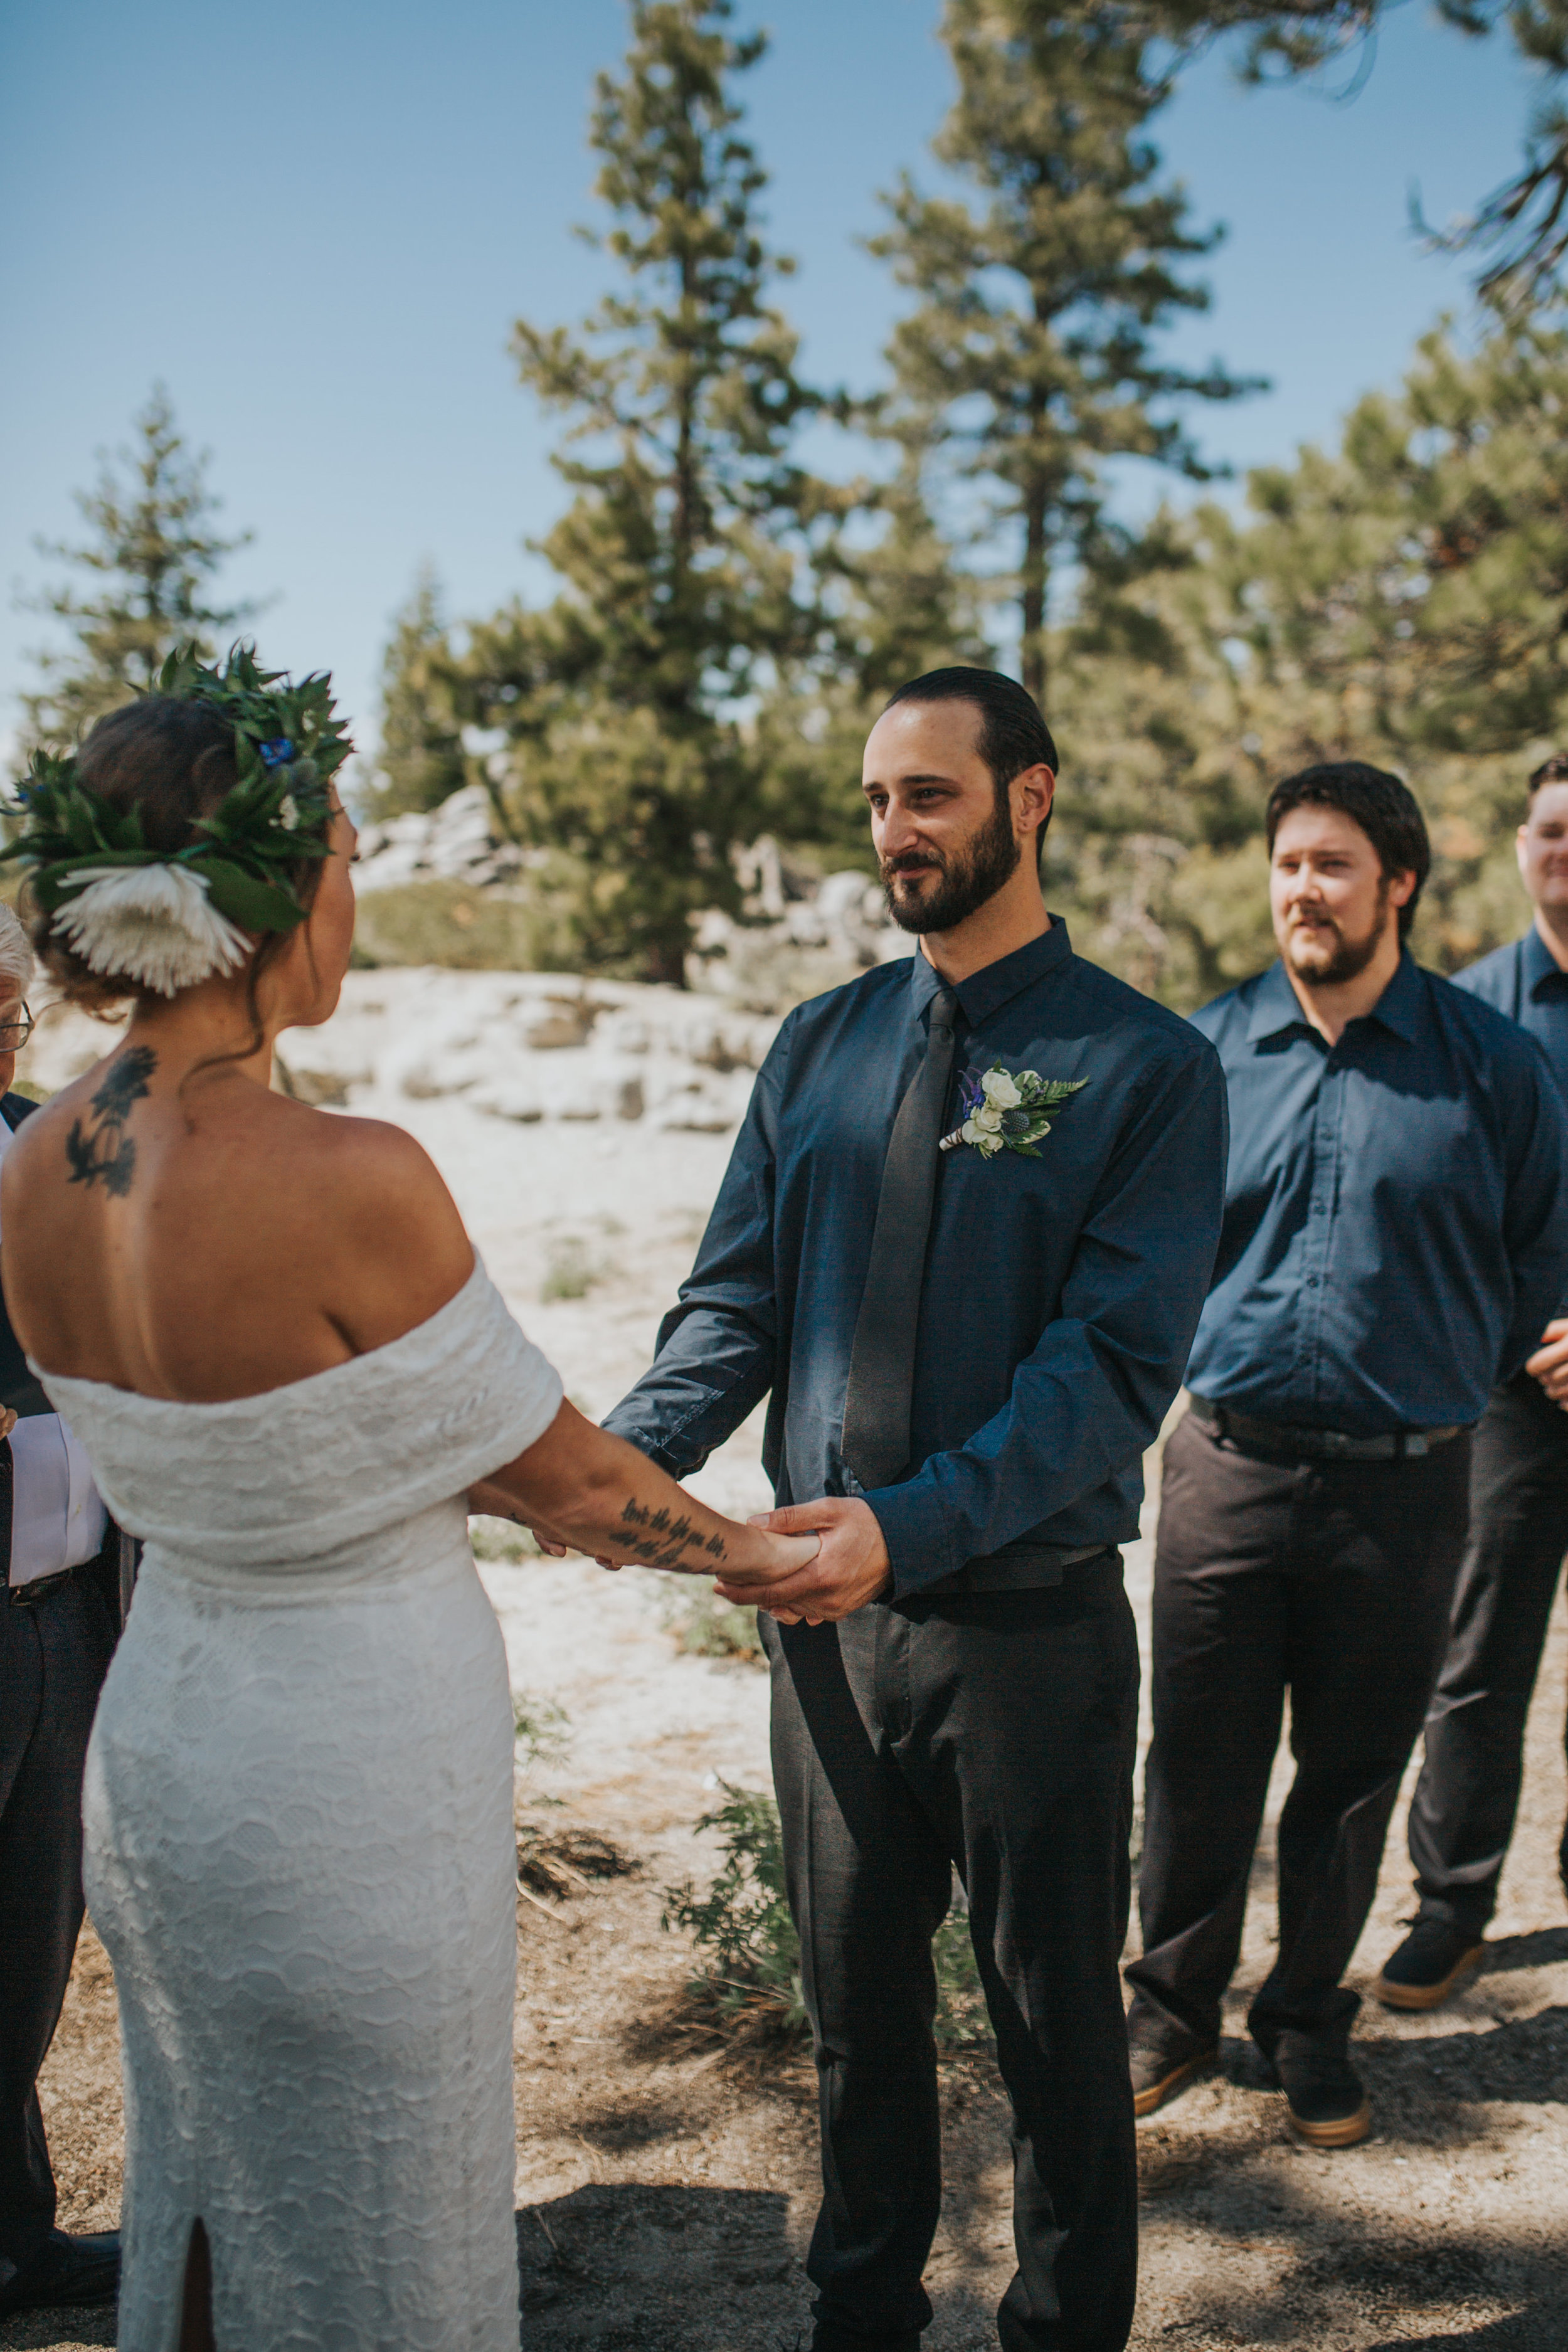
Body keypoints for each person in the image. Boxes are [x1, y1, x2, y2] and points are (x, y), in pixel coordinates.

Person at [0, 649, 818, 2352]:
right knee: (379, 2202)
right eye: (348, 855)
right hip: (345, 1769)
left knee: (208, 2165)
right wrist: (757, 1553)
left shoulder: (33, 1162)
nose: (356, 889)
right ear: (273, 897)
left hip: (158, 1748)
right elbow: (562, 1474)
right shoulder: (351, 1176)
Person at [600, 668, 1228, 2352]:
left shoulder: (1144, 1065)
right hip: (821, 1633)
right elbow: (730, 1306)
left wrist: (907, 1522)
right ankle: (856, 2320)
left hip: (1026, 1637)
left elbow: (1102, 1372)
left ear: (1028, 796)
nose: (894, 831)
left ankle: (1058, 2328)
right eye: (876, 800)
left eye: (928, 795)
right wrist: (613, 1455)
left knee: (1050, 2039)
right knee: (856, 2031)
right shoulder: (819, 1041)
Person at [1125, 761, 1568, 2149]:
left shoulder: (1490, 1064)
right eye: (1286, 866)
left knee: (1349, 1772)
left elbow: (1539, 1252)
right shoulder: (1197, 1060)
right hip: (1225, 1467)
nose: (1301, 891)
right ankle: (1169, 2009)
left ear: (1399, 887)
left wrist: (1476, 1353)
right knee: (1196, 1758)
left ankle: (1305, 2022)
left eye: (1330, 866)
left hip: (1408, 1481)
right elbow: (1138, 1266)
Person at [1377, 751, 1568, 2008]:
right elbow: (1444, 1210)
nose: (1565, 852)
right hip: (1510, 1390)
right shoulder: (1472, 1016)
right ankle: (1450, 1905)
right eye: (1550, 830)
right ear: (1516, 847)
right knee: (1476, 1655)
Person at [0, 903, 124, 2324]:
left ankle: (15, 2238)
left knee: (28, 1941)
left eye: (12, 1017)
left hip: (63, 1609)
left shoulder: (44, 1139)